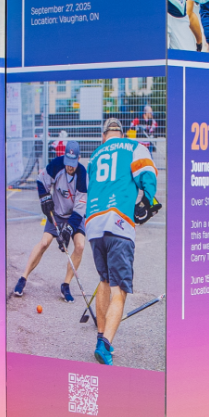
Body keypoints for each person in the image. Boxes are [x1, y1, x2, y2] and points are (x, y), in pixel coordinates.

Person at [81, 117, 159, 366]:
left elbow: (92, 188)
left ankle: (102, 337)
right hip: (119, 223)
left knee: (104, 280)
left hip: (94, 225)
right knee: (119, 290)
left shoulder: (95, 155)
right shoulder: (132, 146)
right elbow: (148, 173)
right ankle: (104, 347)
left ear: (104, 136)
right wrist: (147, 201)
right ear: (121, 133)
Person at [12, 143, 88, 302]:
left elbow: (80, 207)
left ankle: (65, 285)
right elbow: (41, 181)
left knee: (79, 245)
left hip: (74, 215)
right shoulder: (56, 165)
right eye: (67, 163)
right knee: (44, 243)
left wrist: (68, 230)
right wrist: (44, 198)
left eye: (73, 164)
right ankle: (23, 278)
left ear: (79, 159)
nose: (69, 167)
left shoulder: (82, 175)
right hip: (57, 213)